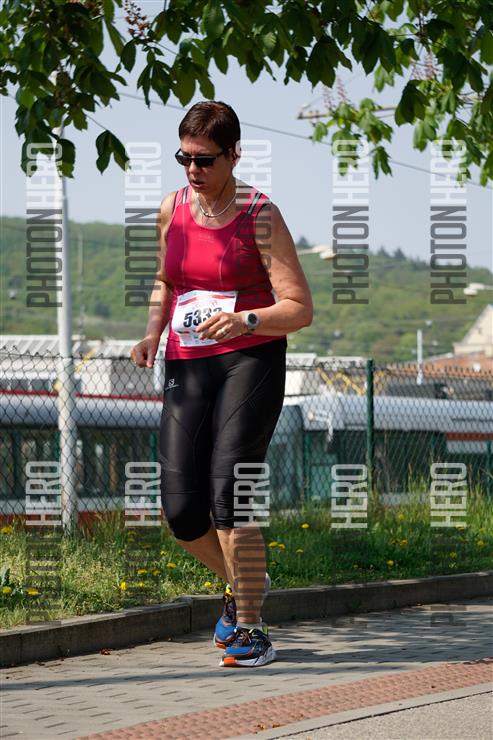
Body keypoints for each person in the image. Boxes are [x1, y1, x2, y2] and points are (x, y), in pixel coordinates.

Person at [130, 100, 313, 667]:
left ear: (234, 155)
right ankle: (244, 582)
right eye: (184, 158)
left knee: (231, 493)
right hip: (188, 363)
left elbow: (300, 307)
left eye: (205, 159)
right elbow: (166, 280)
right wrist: (152, 333)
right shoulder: (172, 209)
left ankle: (252, 629)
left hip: (249, 361)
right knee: (182, 512)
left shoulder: (260, 215)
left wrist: (246, 319)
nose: (193, 169)